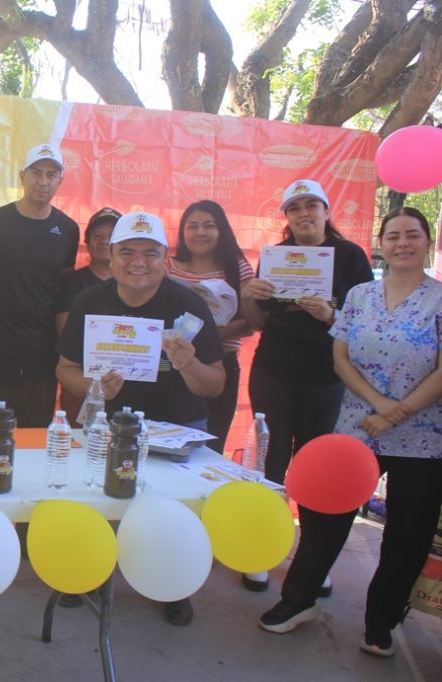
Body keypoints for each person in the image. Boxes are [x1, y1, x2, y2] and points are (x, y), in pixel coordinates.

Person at [257, 207, 442, 654]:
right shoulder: (360, 295)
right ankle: (298, 601)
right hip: (357, 426)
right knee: (325, 516)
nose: (402, 243)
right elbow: (340, 357)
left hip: (422, 436)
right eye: (393, 235)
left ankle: (380, 622)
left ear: (428, 243)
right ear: (381, 243)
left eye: (412, 235)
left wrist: (396, 413)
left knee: (407, 532)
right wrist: (379, 406)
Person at [56, 211, 225, 625]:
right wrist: (95, 387)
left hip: (178, 428)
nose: (138, 262)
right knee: (93, 503)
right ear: (110, 256)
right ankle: (88, 570)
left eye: (150, 253)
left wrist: (188, 365)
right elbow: (64, 370)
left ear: (165, 258)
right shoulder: (89, 302)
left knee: (175, 514)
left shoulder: (188, 305)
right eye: (127, 252)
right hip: (107, 426)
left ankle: (175, 585)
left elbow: (215, 385)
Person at [240, 179, 373, 596]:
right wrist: (249, 295)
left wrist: (331, 315)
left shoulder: (351, 257)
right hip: (274, 370)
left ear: (326, 212)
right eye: (294, 207)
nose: (303, 213)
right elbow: (259, 322)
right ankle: (262, 549)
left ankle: (311, 562)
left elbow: (368, 323)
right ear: (287, 217)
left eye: (311, 205)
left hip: (326, 376)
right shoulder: (276, 257)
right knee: (271, 458)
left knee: (315, 467)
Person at [0, 143, 79, 427]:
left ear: (60, 181)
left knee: (35, 434)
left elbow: (64, 285)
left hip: (42, 351)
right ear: (22, 176)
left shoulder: (67, 229)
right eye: (36, 172)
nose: (43, 181)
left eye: (51, 175)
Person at [167, 200, 254, 454]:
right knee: (168, 444)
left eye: (209, 226)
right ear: (183, 232)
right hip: (170, 368)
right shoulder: (166, 266)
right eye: (192, 226)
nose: (200, 233)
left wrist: (204, 337)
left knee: (211, 448)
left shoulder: (237, 267)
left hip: (220, 365)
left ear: (221, 230)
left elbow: (250, 324)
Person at [55, 207, 120, 425]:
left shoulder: (136, 283)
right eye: (97, 236)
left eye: (111, 235)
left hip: (128, 381)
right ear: (88, 243)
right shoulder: (73, 282)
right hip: (81, 381)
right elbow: (65, 332)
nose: (104, 241)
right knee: (81, 439)